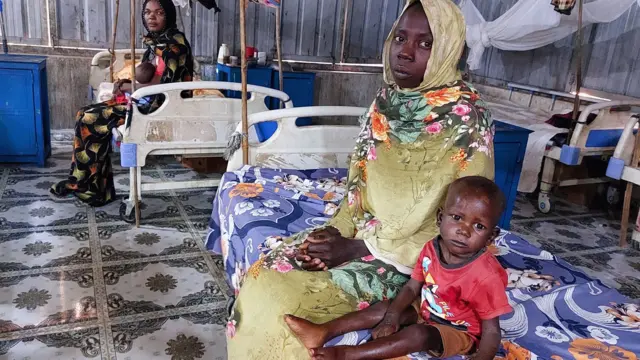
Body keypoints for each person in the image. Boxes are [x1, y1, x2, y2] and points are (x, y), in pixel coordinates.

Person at [225, 0, 496, 358]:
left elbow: (461, 221)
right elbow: (359, 182)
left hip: (419, 263)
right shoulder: (385, 102)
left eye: (426, 43)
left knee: (285, 302)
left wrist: (360, 250)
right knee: (266, 272)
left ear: (449, 49)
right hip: (364, 235)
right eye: (400, 38)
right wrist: (336, 233)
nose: (406, 51)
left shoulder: (467, 120)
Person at [283, 176, 511, 360]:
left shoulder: (485, 276)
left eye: (478, 225)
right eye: (457, 217)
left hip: (459, 331)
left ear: (491, 236)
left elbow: (492, 331)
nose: (464, 230)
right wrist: (392, 318)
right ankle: (323, 331)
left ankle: (347, 354)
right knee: (385, 307)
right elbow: (413, 287)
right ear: (440, 218)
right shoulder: (433, 248)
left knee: (418, 334)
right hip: (428, 309)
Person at [50, 0, 194, 206]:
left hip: (160, 108)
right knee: (84, 114)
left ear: (169, 15)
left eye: (159, 12)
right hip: (147, 101)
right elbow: (149, 76)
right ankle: (92, 186)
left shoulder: (175, 45)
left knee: (90, 118)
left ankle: (89, 187)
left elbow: (166, 83)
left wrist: (129, 88)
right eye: (147, 12)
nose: (151, 17)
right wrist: (128, 83)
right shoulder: (155, 43)